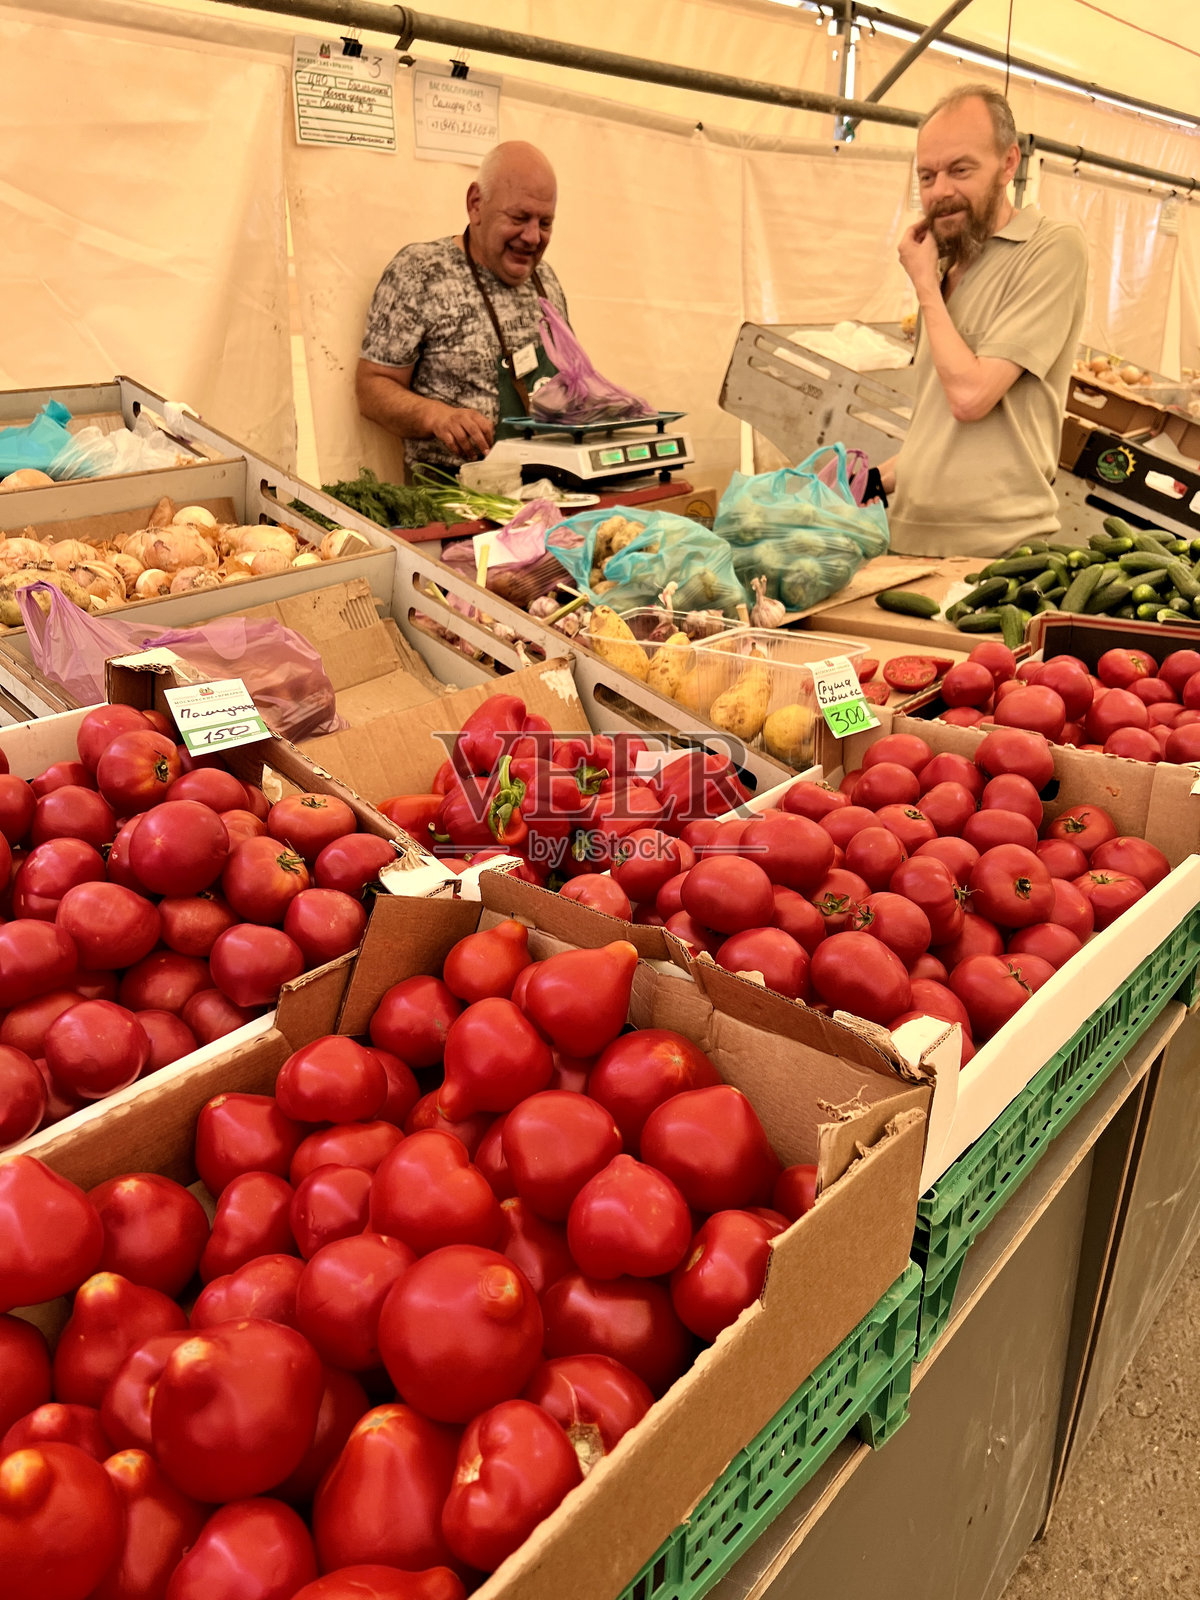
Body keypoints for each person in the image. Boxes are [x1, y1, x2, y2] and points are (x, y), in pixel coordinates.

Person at [880, 85, 1088, 558]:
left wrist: (925, 289)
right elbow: (938, 435)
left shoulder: (1051, 248)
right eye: (927, 176)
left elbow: (971, 398)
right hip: (905, 542)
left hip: (993, 555)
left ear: (1009, 163)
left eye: (960, 170)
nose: (940, 191)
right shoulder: (947, 268)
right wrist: (864, 483)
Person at [356, 141, 567, 473]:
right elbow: (371, 387)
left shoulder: (548, 282)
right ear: (476, 204)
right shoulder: (420, 272)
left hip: (550, 493)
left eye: (545, 223)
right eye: (519, 217)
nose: (532, 237)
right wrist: (437, 416)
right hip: (453, 504)